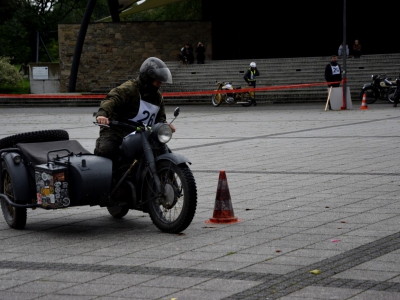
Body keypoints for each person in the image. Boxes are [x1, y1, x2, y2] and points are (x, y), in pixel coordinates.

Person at [94, 57, 176, 167]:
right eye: (157, 80)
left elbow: (159, 118)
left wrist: (165, 125)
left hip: (142, 134)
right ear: (148, 78)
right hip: (117, 131)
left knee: (163, 151)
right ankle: (109, 179)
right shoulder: (130, 89)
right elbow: (111, 99)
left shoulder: (158, 98)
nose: (160, 83)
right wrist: (102, 114)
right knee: (106, 150)